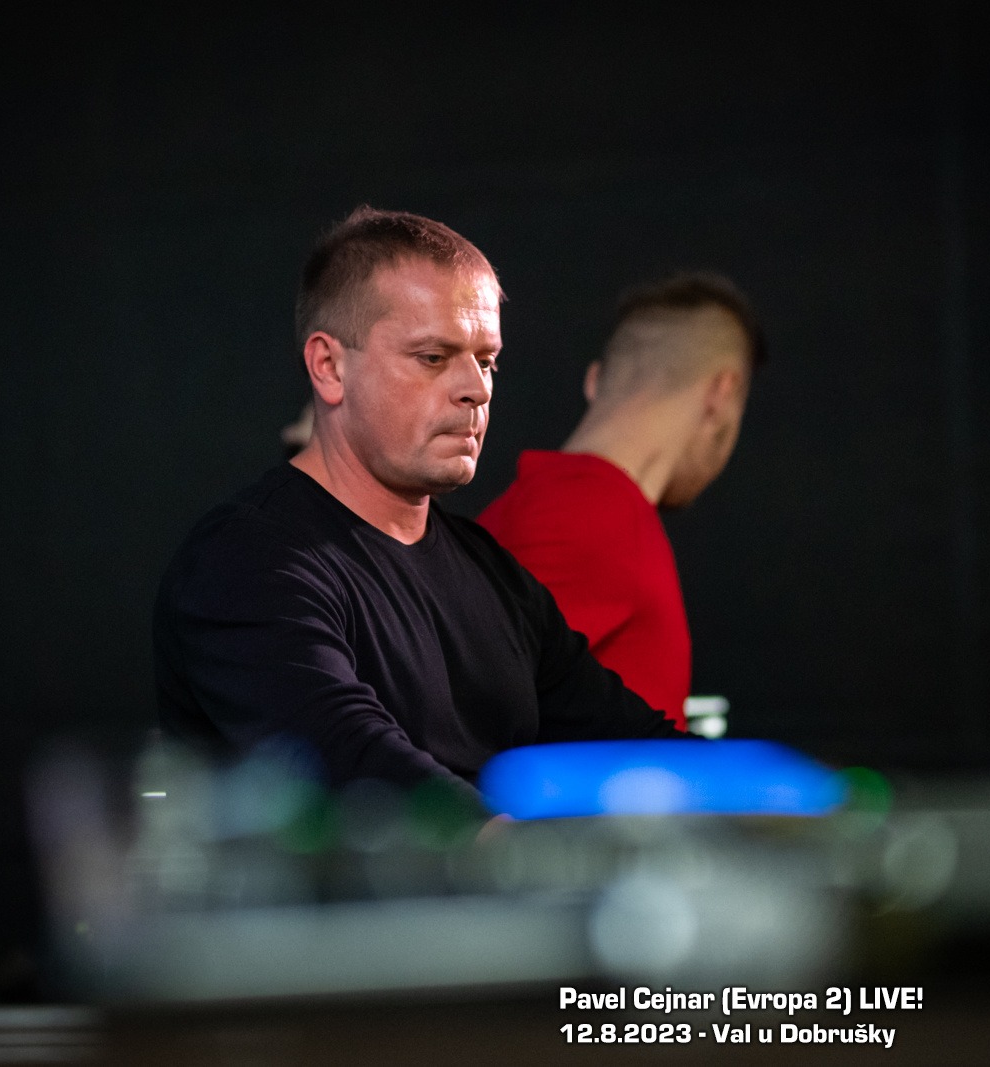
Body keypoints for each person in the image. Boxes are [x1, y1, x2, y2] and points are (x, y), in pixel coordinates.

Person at [154, 208, 685, 798]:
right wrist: (511, 844)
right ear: (329, 367)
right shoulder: (244, 563)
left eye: (486, 361)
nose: (476, 389)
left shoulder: (491, 572)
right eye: (433, 357)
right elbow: (354, 769)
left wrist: (752, 804)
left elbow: (629, 741)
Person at [478, 273, 765, 729]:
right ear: (722, 393)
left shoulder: (563, 503)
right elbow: (468, 714)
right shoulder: (593, 514)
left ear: (595, 380)